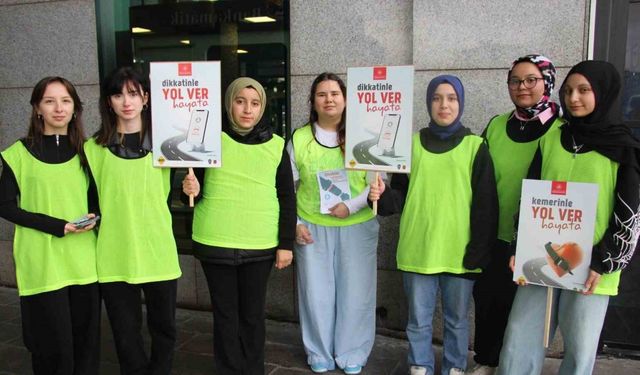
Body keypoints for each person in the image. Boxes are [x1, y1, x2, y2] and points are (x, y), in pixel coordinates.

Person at [497, 60, 640, 375]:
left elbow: (629, 212)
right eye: (569, 90)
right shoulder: (552, 137)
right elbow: (530, 194)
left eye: (584, 90)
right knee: (520, 338)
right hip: (541, 258)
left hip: (592, 267)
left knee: (579, 348)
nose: (574, 98)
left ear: (603, 93)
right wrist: (518, 247)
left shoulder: (623, 147)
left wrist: (603, 261)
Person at [369, 75, 498, 375]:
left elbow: (485, 207)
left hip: (460, 252)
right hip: (419, 248)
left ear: (461, 103)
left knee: (456, 320)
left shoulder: (475, 146)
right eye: (437, 98)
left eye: (451, 98)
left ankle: (455, 367)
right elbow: (397, 199)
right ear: (428, 103)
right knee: (418, 319)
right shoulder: (410, 144)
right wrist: (382, 194)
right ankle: (420, 365)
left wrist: (478, 251)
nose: (444, 104)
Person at [182, 77, 296, 375]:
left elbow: (286, 196)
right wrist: (188, 189)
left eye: (255, 103)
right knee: (225, 316)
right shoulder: (207, 140)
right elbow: (188, 194)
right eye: (240, 101)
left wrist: (286, 244)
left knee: (252, 316)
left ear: (263, 107)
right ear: (229, 103)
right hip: (215, 241)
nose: (247, 109)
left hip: (259, 245)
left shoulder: (276, 146)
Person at [468, 54, 563, 375]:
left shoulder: (561, 129)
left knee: (522, 310)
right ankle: (486, 360)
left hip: (536, 238)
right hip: (493, 233)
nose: (522, 87)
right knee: (488, 299)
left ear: (547, 81)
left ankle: (515, 367)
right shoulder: (497, 124)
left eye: (531, 80)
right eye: (515, 81)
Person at [0, 76, 100, 374]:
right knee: (49, 349)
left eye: (66, 101)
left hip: (83, 263)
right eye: (49, 101)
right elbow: (4, 206)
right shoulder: (16, 155)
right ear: (37, 108)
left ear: (75, 108)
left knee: (85, 348)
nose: (59, 108)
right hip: (41, 263)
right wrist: (56, 225)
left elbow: (99, 202)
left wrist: (94, 217)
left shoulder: (89, 152)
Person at [85, 67, 182, 375]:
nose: (126, 101)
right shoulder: (93, 149)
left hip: (158, 250)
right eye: (117, 94)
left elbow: (181, 190)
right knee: (126, 333)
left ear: (146, 97)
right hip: (115, 252)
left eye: (133, 93)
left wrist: (195, 186)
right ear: (108, 101)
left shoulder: (169, 145)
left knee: (164, 328)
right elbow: (89, 199)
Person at [288, 72, 379, 375]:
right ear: (312, 101)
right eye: (321, 94)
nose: (329, 99)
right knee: (316, 294)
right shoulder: (300, 138)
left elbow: (378, 181)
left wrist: (350, 206)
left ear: (345, 99)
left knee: (357, 292)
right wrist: (296, 223)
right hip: (312, 227)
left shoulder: (362, 134)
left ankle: (352, 351)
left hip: (357, 225)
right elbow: (286, 186)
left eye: (335, 94)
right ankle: (319, 352)